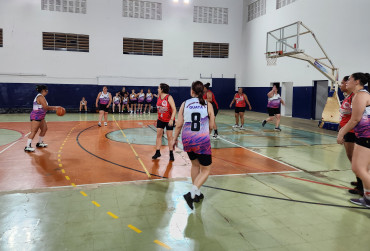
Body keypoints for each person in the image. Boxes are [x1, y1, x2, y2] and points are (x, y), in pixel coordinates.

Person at [172, 81, 215, 210]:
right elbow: (212, 126)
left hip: (187, 139)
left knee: (195, 165)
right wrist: (206, 134)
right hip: (201, 139)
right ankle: (192, 193)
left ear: (192, 91)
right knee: (206, 170)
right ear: (203, 92)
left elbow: (179, 124)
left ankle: (197, 194)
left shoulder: (185, 104)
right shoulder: (208, 105)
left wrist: (174, 139)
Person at [337, 72, 370, 208]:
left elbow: (355, 119)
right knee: (360, 168)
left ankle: (368, 198)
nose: (346, 82)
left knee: (359, 168)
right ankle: (367, 198)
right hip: (363, 135)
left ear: (357, 82)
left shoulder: (361, 96)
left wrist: (341, 133)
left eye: (349, 80)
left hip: (366, 136)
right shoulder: (360, 95)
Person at [339, 76, 363, 195]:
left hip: (352, 131)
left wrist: (342, 132)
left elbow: (355, 118)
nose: (342, 85)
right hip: (347, 130)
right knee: (352, 158)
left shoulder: (355, 97)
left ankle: (362, 185)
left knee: (355, 160)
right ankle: (359, 181)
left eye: (344, 83)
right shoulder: (348, 97)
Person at [25, 85, 60, 152]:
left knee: (44, 129)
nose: (47, 91)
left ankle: (39, 143)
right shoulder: (40, 97)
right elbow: (46, 107)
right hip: (36, 116)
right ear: (43, 90)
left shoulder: (42, 97)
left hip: (41, 116)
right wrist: (56, 108)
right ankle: (27, 146)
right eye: (46, 90)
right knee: (33, 131)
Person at [152, 83, 176, 161]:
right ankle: (157, 152)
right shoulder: (159, 97)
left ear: (162, 89)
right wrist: (157, 118)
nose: (157, 89)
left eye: (158, 88)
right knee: (158, 136)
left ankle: (171, 153)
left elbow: (174, 109)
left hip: (169, 120)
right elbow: (159, 109)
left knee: (169, 137)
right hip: (160, 120)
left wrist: (172, 119)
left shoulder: (169, 97)